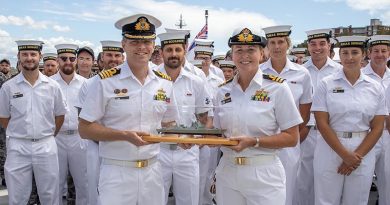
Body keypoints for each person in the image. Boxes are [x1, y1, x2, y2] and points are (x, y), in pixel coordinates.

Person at [78, 14, 177, 205]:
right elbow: (85, 128)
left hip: (153, 171)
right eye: (134, 41)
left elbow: (169, 123)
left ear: (154, 44)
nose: (141, 47)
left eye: (147, 41)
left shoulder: (164, 83)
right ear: (123, 44)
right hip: (117, 172)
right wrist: (124, 135)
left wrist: (185, 139)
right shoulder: (105, 82)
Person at [213, 27, 303, 205]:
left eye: (251, 50)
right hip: (228, 172)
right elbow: (217, 133)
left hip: (264, 173)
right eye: (239, 50)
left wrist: (254, 141)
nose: (244, 55)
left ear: (262, 54)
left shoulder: (277, 88)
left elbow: (292, 137)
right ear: (232, 55)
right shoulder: (222, 91)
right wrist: (193, 138)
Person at [312, 35, 387, 205]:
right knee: (326, 201)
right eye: (345, 53)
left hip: (363, 148)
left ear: (364, 55)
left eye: (355, 52)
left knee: (357, 201)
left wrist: (356, 156)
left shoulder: (375, 87)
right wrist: (345, 155)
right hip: (330, 147)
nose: (350, 57)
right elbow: (322, 123)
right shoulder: (326, 84)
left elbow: (377, 126)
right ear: (340, 55)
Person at [0, 40, 67, 205]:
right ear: (18, 57)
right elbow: (3, 117)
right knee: (17, 196)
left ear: (40, 57)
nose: (29, 58)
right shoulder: (8, 87)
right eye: (25, 54)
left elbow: (60, 115)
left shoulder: (52, 86)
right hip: (17, 146)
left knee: (50, 195)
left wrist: (48, 134)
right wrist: (20, 133)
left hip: (46, 144)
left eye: (33, 54)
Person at [156, 31, 211, 205]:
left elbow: (205, 116)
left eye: (178, 49)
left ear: (185, 50)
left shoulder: (196, 81)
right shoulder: (150, 79)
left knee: (189, 200)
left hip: (187, 151)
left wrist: (198, 139)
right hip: (158, 149)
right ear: (161, 52)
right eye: (169, 49)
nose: (173, 54)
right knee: (155, 199)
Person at [261, 25, 313, 205]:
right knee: (263, 192)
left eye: (281, 42)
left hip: (289, 143)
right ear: (267, 46)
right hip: (263, 141)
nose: (276, 47)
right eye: (272, 42)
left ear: (287, 44)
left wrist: (290, 135)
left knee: (288, 190)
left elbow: (305, 111)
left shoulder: (302, 74)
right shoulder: (258, 72)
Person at [296, 28, 342, 205]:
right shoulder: (299, 72)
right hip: (305, 133)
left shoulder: (340, 71)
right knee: (303, 183)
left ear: (329, 45)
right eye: (313, 44)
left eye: (322, 43)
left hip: (331, 134)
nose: (317, 48)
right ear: (308, 46)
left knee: (329, 183)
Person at [78, 40, 124, 205]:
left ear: (122, 58)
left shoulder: (128, 83)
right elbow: (82, 120)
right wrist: (106, 138)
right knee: (94, 188)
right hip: (95, 146)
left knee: (119, 191)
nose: (114, 59)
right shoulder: (89, 84)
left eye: (117, 55)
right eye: (109, 55)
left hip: (122, 146)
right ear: (101, 58)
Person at [52, 43, 88, 205]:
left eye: (72, 58)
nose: (68, 61)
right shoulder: (49, 83)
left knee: (84, 183)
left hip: (79, 137)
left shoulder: (85, 84)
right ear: (58, 60)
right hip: (55, 138)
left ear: (76, 61)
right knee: (55, 183)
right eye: (63, 58)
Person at [362, 35, 390, 205]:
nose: (380, 54)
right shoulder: (360, 76)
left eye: (384, 51)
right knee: (361, 183)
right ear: (369, 53)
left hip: (388, 135)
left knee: (388, 182)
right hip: (368, 134)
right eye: (376, 51)